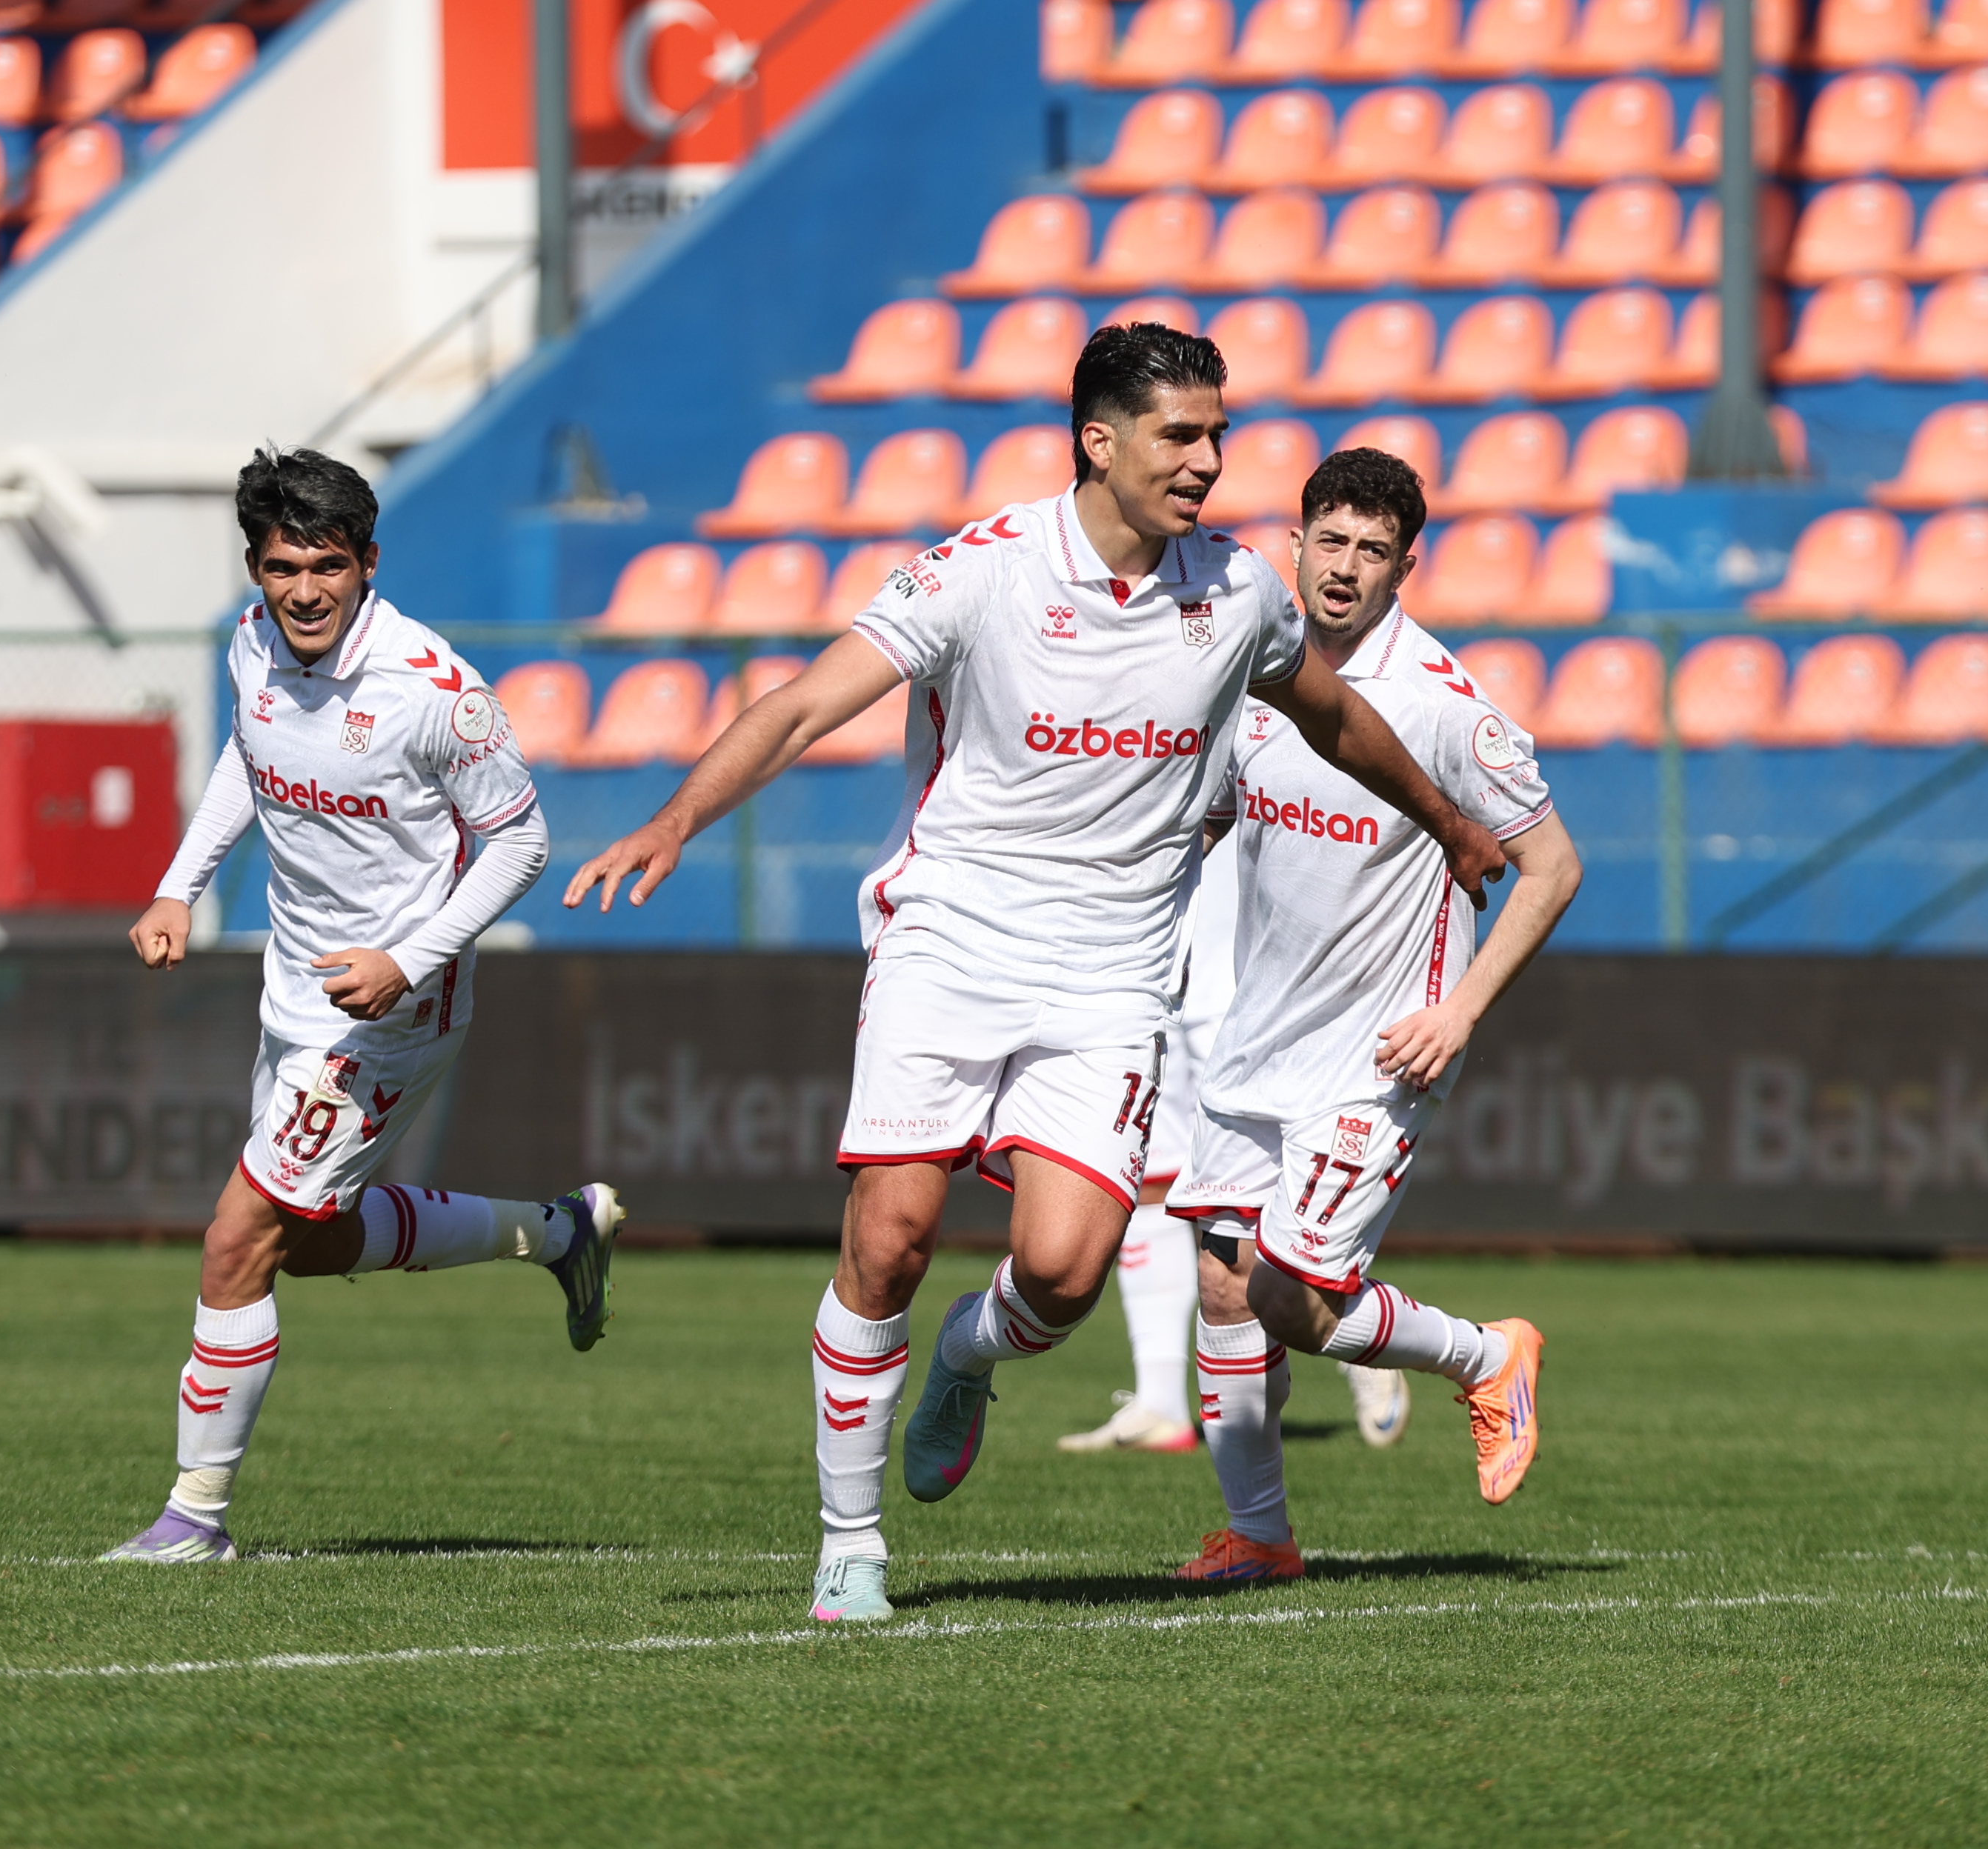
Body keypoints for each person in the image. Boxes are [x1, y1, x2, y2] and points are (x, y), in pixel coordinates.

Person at [564, 324, 1508, 1624]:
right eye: (1181, 435)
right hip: (948, 942)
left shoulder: (1234, 591)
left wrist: (1449, 820)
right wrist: (676, 818)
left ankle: (965, 1354)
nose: (1207, 461)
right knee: (887, 1243)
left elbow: (1335, 718)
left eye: (1217, 435)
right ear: (1098, 440)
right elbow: (798, 704)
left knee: (1063, 1274)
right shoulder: (985, 572)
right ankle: (850, 1544)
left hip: (1114, 978)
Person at [102, 447, 625, 1565]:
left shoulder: (434, 692)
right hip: (292, 988)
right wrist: (175, 888)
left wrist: (408, 958)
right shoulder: (253, 646)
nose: (302, 591)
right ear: (256, 566)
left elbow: (521, 841)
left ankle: (193, 1520)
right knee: (306, 1239)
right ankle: (557, 1231)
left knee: (236, 1239)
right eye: (282, 566)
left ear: (368, 564)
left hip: (390, 1013)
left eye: (326, 567)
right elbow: (249, 758)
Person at [1165, 447, 1583, 1584]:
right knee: (1216, 1283)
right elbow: (1205, 825)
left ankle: (1487, 1354)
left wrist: (1459, 1013)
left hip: (1378, 1050)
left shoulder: (1443, 707)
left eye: (1372, 552)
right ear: (1294, 546)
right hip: (1256, 1040)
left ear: (1407, 568)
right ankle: (1260, 1537)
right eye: (1330, 542)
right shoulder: (1251, 675)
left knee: (1292, 1300)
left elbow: (1551, 867)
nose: (1345, 570)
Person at [1057, 845, 1414, 1454]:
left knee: (1257, 1189)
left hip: (1229, 981)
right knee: (1148, 1178)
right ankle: (1160, 1400)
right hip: (1135, 973)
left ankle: (1351, 1330)